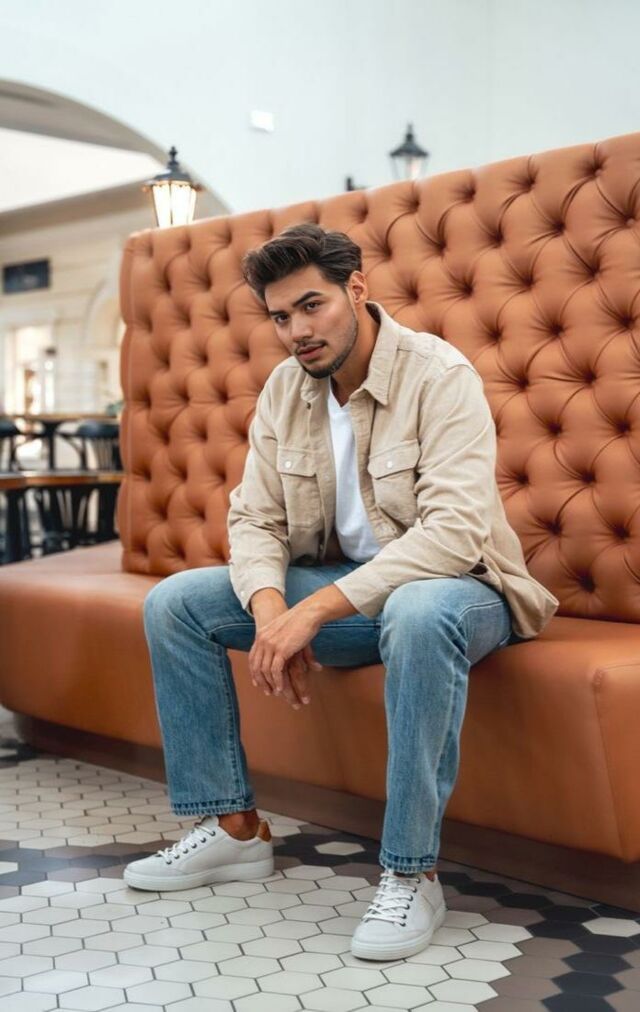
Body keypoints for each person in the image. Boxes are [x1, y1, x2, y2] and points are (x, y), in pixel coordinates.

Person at [124, 223, 559, 961]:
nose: (297, 331)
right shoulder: (285, 390)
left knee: (417, 610)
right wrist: (272, 612)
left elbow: (454, 535)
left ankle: (412, 873)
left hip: (464, 590)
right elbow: (255, 518)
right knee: (177, 603)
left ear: (357, 289)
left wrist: (314, 613)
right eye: (280, 316)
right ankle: (231, 829)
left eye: (311, 306)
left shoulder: (437, 374)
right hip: (351, 594)